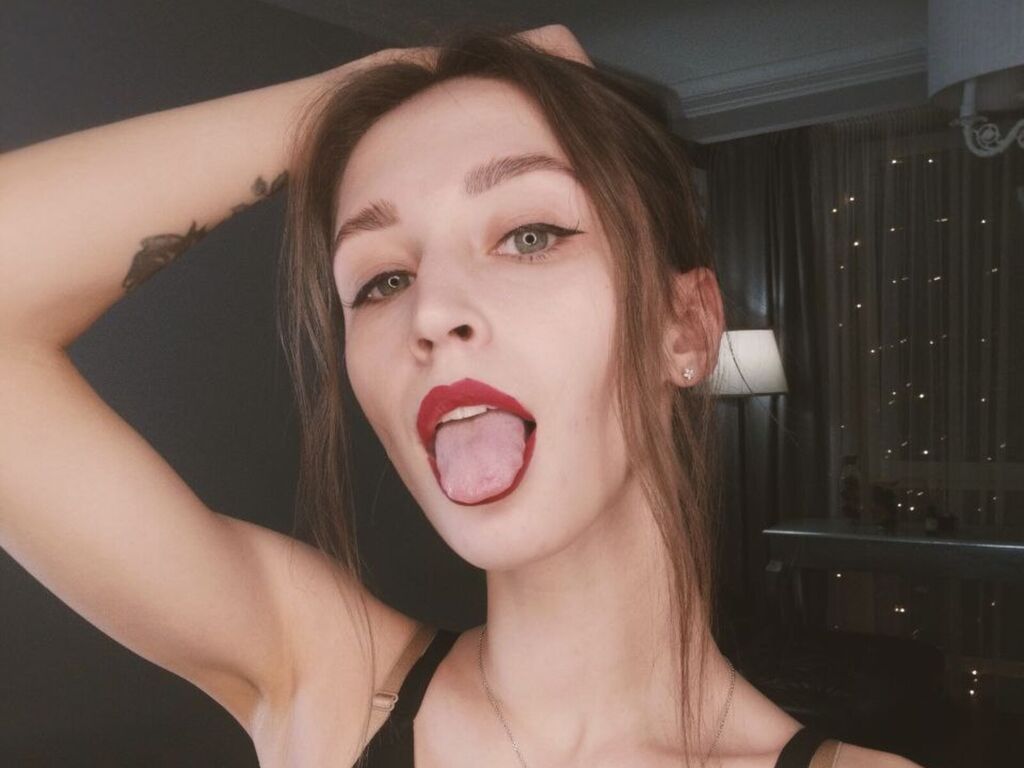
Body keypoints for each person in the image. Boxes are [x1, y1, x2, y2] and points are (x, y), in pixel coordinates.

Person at [0, 22, 921, 768]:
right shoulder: (328, 686)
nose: (432, 311)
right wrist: (376, 82)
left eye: (529, 236)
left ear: (684, 329)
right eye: (382, 280)